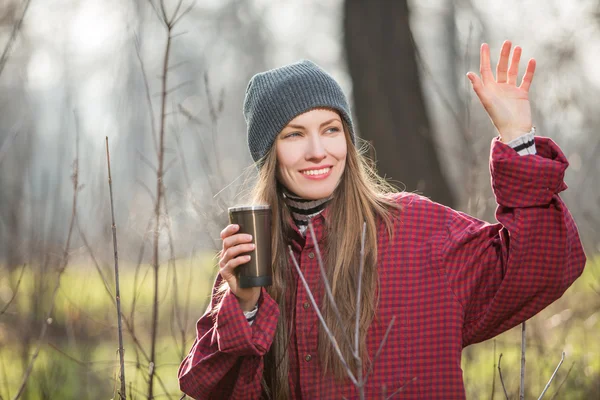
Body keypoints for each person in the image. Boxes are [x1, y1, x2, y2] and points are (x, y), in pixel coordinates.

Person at [178, 41, 587, 399]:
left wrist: (518, 138)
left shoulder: (416, 229)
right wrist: (244, 307)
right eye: (294, 135)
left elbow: (543, 265)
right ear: (270, 155)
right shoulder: (255, 253)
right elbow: (210, 387)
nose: (318, 151)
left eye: (331, 129)